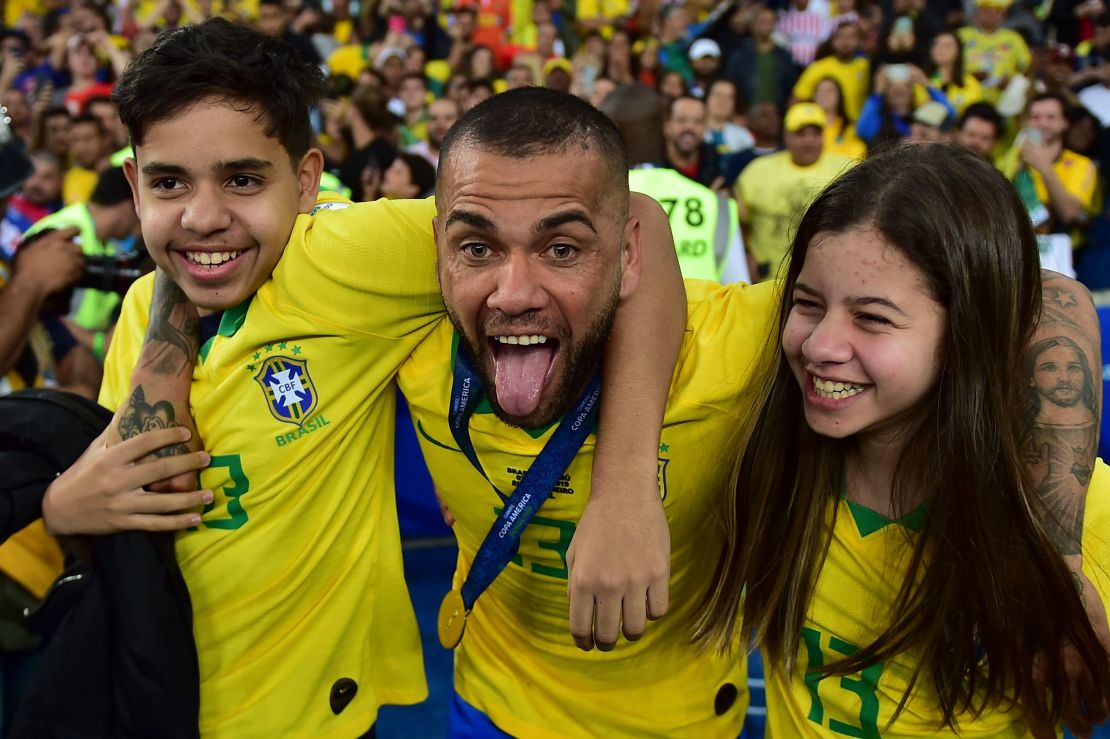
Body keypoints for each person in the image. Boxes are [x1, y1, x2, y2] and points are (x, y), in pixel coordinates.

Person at [44, 18, 678, 737]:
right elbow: (121, 511)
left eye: (243, 178)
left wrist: (624, 490)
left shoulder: (346, 258)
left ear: (307, 179)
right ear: (134, 184)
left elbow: (640, 222)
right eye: (168, 182)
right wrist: (64, 507)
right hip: (150, 708)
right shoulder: (138, 312)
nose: (203, 216)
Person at [697, 143, 1110, 737]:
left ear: (968, 330)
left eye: (873, 318)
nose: (819, 346)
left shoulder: (1070, 506)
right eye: (806, 304)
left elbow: (1046, 294)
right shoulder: (763, 446)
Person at [399, 85, 770, 738]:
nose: (513, 294)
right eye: (478, 250)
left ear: (628, 255)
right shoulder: (402, 337)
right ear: (437, 247)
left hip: (686, 724)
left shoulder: (733, 348)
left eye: (562, 250)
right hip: (488, 710)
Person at [736, 102, 854, 281]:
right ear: (786, 136)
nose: (809, 140)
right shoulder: (757, 171)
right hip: (769, 279)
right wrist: (744, 256)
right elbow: (737, 221)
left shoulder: (847, 170)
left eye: (816, 133)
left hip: (829, 280)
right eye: (801, 133)